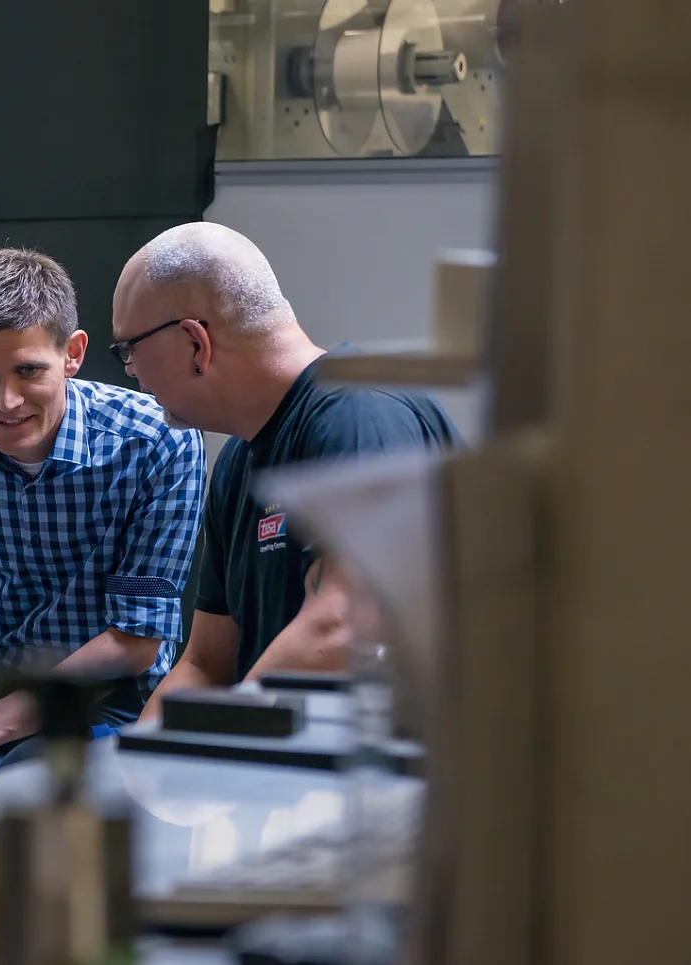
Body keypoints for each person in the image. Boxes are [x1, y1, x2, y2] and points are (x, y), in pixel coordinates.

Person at [113, 223, 461, 721]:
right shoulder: (236, 463)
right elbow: (207, 664)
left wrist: (216, 755)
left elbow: (345, 624)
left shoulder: (360, 413)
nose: (131, 372)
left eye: (129, 350)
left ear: (195, 343)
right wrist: (136, 770)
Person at [0, 248, 206, 788]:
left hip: (106, 704)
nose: (5, 400)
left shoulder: (159, 440)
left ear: (73, 353)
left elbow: (136, 639)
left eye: (28, 370)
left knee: (0, 804)